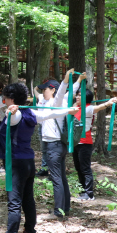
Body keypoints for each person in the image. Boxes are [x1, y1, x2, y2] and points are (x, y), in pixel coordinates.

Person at [0, 83, 78, 233]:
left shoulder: (16, 115)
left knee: (15, 201)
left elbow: (16, 117)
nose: (4, 99)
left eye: (6, 97)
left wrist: (13, 112)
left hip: (17, 164)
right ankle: (29, 231)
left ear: (12, 99)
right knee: (27, 199)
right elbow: (50, 114)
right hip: (28, 162)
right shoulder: (31, 113)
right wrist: (68, 111)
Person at [36, 69, 85, 220]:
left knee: (56, 178)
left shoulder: (56, 102)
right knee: (61, 177)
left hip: (54, 146)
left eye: (45, 89)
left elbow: (62, 91)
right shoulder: (47, 102)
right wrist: (78, 81)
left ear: (52, 90)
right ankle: (65, 208)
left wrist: (65, 80)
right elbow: (69, 91)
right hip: (57, 146)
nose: (43, 92)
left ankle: (58, 211)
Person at [72, 86, 117, 201]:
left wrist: (109, 102)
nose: (77, 97)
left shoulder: (88, 108)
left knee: (85, 168)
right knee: (78, 167)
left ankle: (89, 193)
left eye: (79, 95)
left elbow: (99, 107)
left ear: (85, 98)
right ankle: (83, 190)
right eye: (77, 95)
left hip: (85, 143)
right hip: (76, 142)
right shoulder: (76, 107)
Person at [33, 84, 49, 177]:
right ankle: (44, 168)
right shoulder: (42, 97)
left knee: (50, 149)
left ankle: (51, 168)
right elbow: (36, 93)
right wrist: (36, 88)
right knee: (44, 149)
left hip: (49, 126)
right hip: (41, 126)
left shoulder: (53, 100)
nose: (44, 91)